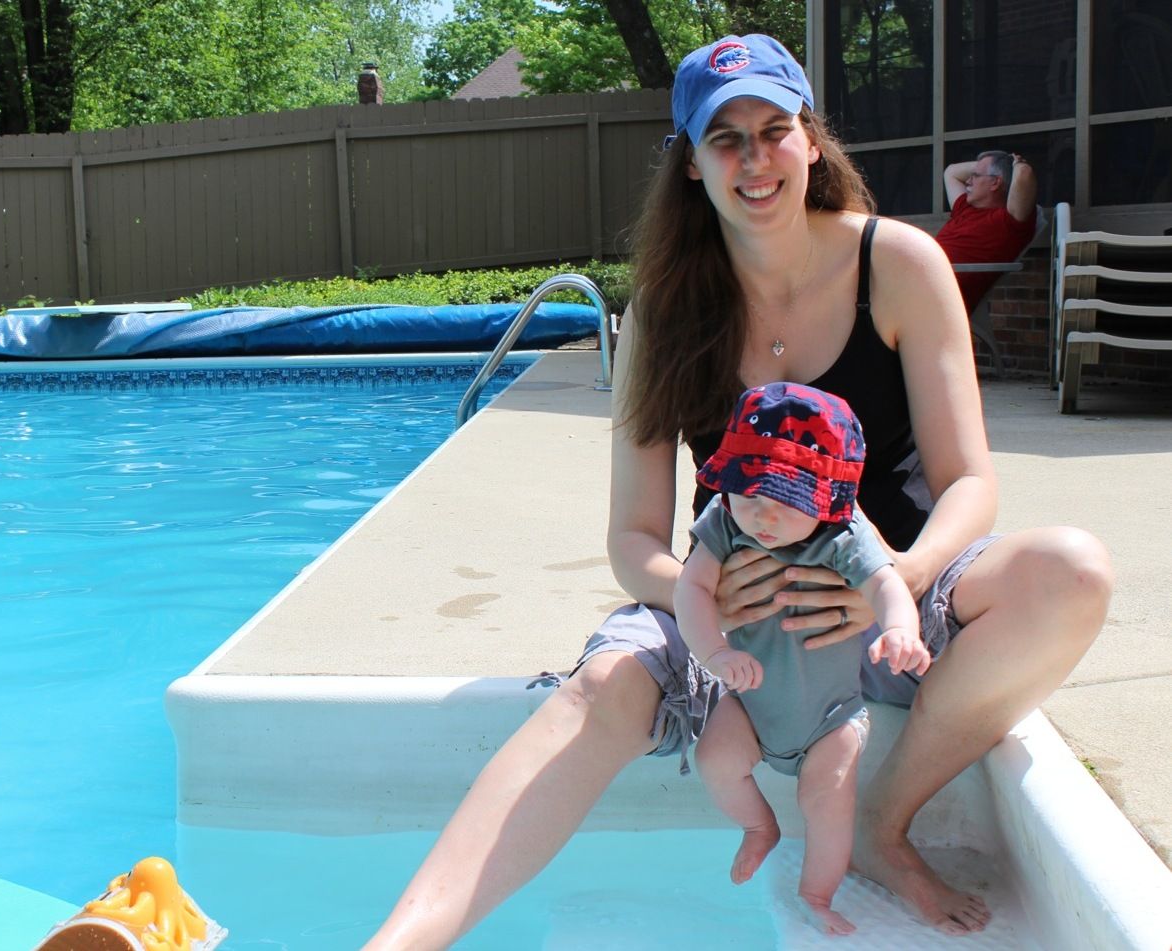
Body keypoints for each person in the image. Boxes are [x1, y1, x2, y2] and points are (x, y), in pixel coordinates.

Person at [364, 33, 1111, 949]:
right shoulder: (666, 310)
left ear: (811, 140)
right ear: (691, 163)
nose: (755, 159)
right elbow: (634, 538)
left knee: (1072, 570)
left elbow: (970, 482)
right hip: (729, 609)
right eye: (725, 139)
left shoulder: (899, 265)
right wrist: (704, 594)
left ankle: (881, 824)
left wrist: (901, 580)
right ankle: (400, 941)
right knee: (601, 684)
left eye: (773, 130)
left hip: (889, 598)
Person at [677, 381, 930, 936]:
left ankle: (817, 892)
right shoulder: (725, 519)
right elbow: (690, 588)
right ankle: (758, 826)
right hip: (749, 703)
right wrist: (716, 652)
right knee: (715, 760)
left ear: (827, 499)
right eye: (750, 494)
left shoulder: (842, 533)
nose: (763, 517)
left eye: (786, 502)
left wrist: (899, 630)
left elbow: (887, 583)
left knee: (826, 800)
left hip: (830, 717)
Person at [934, 151, 1038, 312]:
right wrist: (995, 166)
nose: (968, 181)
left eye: (975, 176)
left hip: (939, 291)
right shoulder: (964, 207)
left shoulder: (1009, 221)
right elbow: (951, 171)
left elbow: (1024, 173)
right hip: (917, 277)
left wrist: (1015, 164)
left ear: (995, 182)